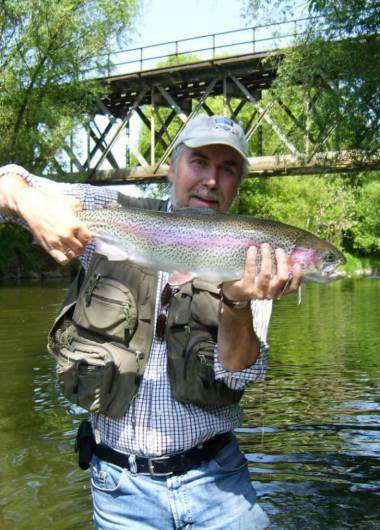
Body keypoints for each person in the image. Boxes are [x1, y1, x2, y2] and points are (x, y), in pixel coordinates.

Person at [0, 115, 303, 529]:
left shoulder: (252, 253)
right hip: (120, 488)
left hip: (218, 483)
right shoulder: (112, 210)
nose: (212, 180)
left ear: (237, 184)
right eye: (199, 162)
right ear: (171, 169)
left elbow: (235, 375)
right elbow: (7, 180)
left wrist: (236, 303)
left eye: (227, 169)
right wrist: (29, 202)